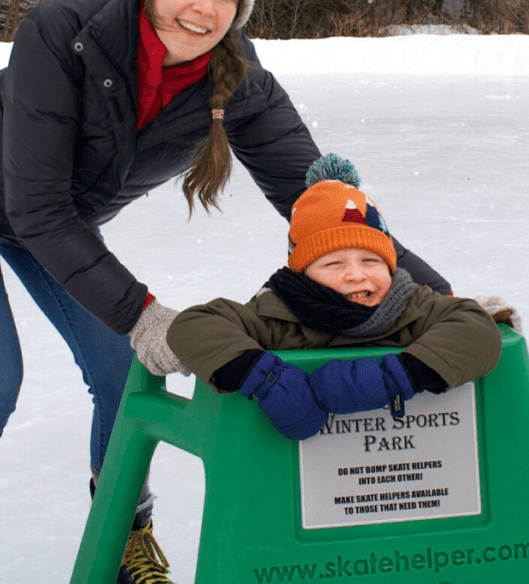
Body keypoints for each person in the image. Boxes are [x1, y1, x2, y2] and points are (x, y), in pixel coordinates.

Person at [0, 0, 451, 583]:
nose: (204, 8)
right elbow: (34, 209)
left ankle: (123, 537)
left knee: (120, 373)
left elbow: (322, 206)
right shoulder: (62, 32)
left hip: (56, 216)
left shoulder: (237, 78)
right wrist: (141, 313)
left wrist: (436, 298)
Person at [167, 154, 506, 440]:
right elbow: (194, 325)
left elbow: (475, 328)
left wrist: (393, 377)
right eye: (333, 263)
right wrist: (268, 379)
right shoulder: (277, 313)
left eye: (372, 260)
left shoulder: (412, 305)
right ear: (303, 272)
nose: (357, 274)